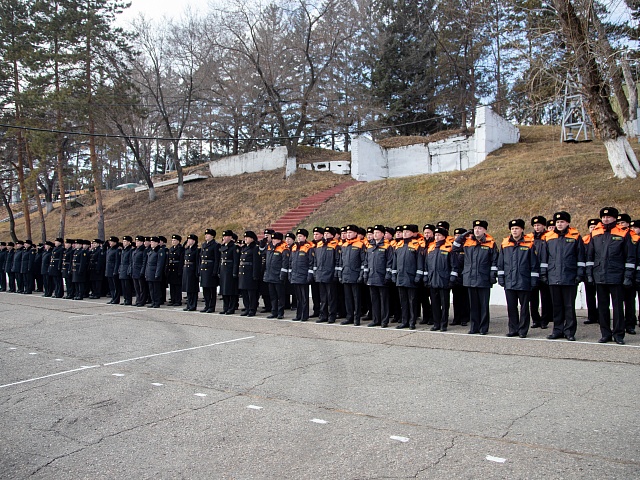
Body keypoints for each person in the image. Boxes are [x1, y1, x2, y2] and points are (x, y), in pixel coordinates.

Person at [586, 207, 637, 345]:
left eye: (608, 217)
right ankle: (605, 334)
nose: (605, 219)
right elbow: (590, 256)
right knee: (602, 307)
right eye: (603, 217)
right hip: (600, 275)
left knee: (618, 307)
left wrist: (627, 277)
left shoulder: (623, 233)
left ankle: (619, 334)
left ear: (615, 219)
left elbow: (630, 258)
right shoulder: (595, 233)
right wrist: (589, 274)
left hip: (616, 276)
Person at [540, 211, 584, 341]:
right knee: (557, 306)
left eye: (562, 222)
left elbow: (580, 257)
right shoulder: (548, 237)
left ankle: (569, 331)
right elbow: (544, 258)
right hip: (553, 276)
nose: (559, 224)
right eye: (557, 222)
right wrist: (544, 274)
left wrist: (579, 274)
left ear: (567, 223)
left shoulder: (575, 236)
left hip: (570, 276)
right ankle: (557, 330)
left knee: (569, 306)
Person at [452, 220, 499, 335]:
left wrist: (493, 275)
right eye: (475, 228)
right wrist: (463, 235)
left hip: (483, 278)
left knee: (483, 305)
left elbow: (494, 260)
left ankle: (483, 328)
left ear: (484, 230)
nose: (477, 230)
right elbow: (455, 247)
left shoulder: (490, 243)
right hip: (470, 277)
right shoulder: (468, 242)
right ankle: (474, 327)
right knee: (473, 305)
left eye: (479, 228)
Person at [498, 219, 539, 338]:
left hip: (524, 281)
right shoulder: (505, 244)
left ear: (522, 230)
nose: (514, 231)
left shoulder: (529, 243)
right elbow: (501, 263)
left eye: (516, 228)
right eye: (512, 229)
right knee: (511, 307)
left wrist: (533, 280)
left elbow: (533, 264)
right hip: (509, 281)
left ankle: (523, 330)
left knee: (524, 308)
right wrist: (501, 277)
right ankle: (513, 329)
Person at [392, 224, 425, 330]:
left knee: (412, 301)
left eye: (407, 232)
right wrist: (393, 274)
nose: (405, 233)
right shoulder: (399, 245)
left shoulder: (416, 245)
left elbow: (420, 263)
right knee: (403, 301)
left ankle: (412, 322)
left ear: (412, 233)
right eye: (404, 232)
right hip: (400, 277)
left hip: (411, 278)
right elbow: (394, 262)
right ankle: (404, 321)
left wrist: (418, 276)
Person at [364, 225, 393, 327]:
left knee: (384, 300)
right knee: (374, 300)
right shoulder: (370, 246)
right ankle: (376, 319)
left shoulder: (387, 246)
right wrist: (365, 274)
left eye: (377, 232)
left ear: (382, 234)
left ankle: (384, 320)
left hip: (382, 277)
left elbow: (390, 262)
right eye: (374, 233)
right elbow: (366, 262)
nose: (375, 234)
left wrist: (387, 276)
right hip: (372, 277)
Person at [425, 226, 453, 331]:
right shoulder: (431, 247)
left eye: (439, 235)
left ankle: (444, 324)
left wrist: (451, 279)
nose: (437, 237)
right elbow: (427, 265)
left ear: (444, 236)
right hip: (433, 280)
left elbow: (453, 265)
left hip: (444, 280)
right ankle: (436, 323)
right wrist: (427, 278)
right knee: (434, 303)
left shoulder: (449, 247)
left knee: (445, 304)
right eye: (435, 235)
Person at [527, 216, 552, 329]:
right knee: (533, 298)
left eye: (539, 225)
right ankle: (535, 319)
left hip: (545, 272)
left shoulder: (548, 236)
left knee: (545, 298)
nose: (537, 227)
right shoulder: (529, 237)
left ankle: (545, 320)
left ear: (544, 226)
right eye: (535, 225)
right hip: (532, 272)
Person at [338, 225, 366, 326]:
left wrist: (361, 275)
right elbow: (341, 262)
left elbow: (363, 261)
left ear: (355, 233)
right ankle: (349, 317)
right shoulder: (344, 245)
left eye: (350, 232)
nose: (348, 234)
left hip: (355, 275)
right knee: (348, 298)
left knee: (356, 298)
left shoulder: (360, 244)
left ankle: (357, 318)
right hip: (346, 275)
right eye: (347, 233)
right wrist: (340, 274)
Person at [616, 213, 638, 335]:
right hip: (619, 274)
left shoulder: (634, 237)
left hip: (632, 274)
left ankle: (630, 324)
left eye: (622, 223)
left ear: (628, 224)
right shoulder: (615, 235)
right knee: (618, 302)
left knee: (629, 301)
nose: (620, 225)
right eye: (618, 223)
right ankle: (620, 324)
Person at [314, 226, 340, 324]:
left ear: (332, 235)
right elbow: (316, 261)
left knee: (331, 297)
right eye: (325, 233)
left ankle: (332, 316)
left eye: (328, 234)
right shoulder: (319, 245)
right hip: (321, 274)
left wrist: (335, 274)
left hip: (330, 274)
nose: (326, 235)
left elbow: (337, 260)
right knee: (323, 297)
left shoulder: (335, 245)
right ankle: (323, 315)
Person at [289, 228, 314, 322]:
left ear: (305, 237)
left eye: (300, 236)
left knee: (304, 298)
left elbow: (311, 263)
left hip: (303, 275)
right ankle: (298, 315)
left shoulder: (308, 247)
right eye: (298, 236)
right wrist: (290, 274)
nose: (298, 238)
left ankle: (305, 315)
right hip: (295, 275)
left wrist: (309, 275)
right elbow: (290, 262)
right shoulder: (294, 247)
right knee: (298, 297)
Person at [264, 232, 289, 319]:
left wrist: (282, 275)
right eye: (273, 239)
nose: (274, 241)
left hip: (278, 276)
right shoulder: (270, 247)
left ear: (280, 240)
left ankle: (280, 312)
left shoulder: (283, 248)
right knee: (273, 296)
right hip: (270, 275)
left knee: (280, 296)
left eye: (276, 239)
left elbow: (285, 263)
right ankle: (274, 311)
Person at [450, 228, 469, 326]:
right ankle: (456, 318)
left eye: (459, 235)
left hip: (464, 275)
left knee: (464, 299)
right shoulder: (454, 247)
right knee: (456, 299)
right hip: (456, 276)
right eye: (456, 235)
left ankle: (464, 318)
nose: (457, 237)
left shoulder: (466, 247)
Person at [582, 219, 600, 324]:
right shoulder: (585, 239)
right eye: (591, 227)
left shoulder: (600, 238)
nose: (593, 229)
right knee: (590, 295)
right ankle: (591, 316)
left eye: (595, 227)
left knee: (601, 297)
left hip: (598, 272)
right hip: (587, 272)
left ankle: (601, 316)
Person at [238, 231, 261, 316]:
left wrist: (255, 275)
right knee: (244, 293)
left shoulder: (255, 248)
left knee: (251, 294)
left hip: (250, 273)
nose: (245, 239)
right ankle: (247, 308)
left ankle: (252, 309)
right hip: (243, 273)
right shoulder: (244, 248)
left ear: (252, 239)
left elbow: (256, 263)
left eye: (247, 238)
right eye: (245, 238)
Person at [219, 230, 240, 315]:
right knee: (224, 291)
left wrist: (235, 272)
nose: (224, 238)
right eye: (224, 236)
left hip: (230, 271)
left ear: (231, 237)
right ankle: (225, 307)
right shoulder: (223, 246)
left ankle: (231, 308)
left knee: (231, 290)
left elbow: (236, 261)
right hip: (224, 270)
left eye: (226, 236)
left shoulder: (234, 247)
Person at [199, 229, 220, 313]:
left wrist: (215, 271)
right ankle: (207, 305)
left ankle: (211, 306)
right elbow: (201, 258)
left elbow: (216, 259)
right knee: (205, 289)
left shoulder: (215, 245)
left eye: (208, 234)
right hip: (204, 268)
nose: (206, 236)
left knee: (211, 289)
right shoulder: (204, 245)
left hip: (210, 269)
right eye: (206, 234)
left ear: (212, 236)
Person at [145, 236, 166, 308]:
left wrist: (157, 273)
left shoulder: (159, 251)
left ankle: (157, 302)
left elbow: (160, 264)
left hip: (155, 273)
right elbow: (147, 263)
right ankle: (153, 301)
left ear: (157, 243)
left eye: (153, 242)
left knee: (156, 289)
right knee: (151, 289)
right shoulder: (151, 251)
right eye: (151, 242)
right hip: (149, 273)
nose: (151, 243)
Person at [182, 234, 200, 311]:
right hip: (187, 270)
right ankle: (189, 304)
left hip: (192, 270)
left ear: (194, 241)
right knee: (188, 289)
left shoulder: (196, 250)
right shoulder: (187, 249)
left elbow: (197, 262)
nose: (188, 241)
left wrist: (197, 272)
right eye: (188, 240)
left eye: (190, 240)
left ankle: (193, 305)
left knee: (193, 289)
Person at [166, 234, 184, 307]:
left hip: (176, 269)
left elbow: (181, 260)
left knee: (177, 286)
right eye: (172, 240)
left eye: (175, 240)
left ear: (178, 241)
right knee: (172, 286)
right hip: (171, 269)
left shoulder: (180, 249)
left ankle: (177, 300)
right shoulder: (171, 249)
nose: (173, 242)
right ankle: (173, 299)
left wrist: (180, 270)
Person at [131, 236, 148, 306]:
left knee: (142, 288)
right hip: (135, 271)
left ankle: (142, 300)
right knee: (137, 287)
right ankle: (138, 300)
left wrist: (142, 271)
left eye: (138, 241)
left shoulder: (144, 250)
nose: (136, 243)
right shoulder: (135, 250)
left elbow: (144, 262)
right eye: (136, 241)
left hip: (140, 271)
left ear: (142, 242)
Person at [105, 236, 121, 304]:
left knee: (115, 286)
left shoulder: (117, 250)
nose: (110, 243)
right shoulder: (109, 250)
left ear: (115, 243)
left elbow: (117, 262)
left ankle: (116, 299)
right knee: (111, 286)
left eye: (111, 242)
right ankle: (113, 297)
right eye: (109, 242)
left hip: (113, 270)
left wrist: (115, 270)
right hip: (109, 270)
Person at [119, 236, 134, 305]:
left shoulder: (130, 250)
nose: (124, 242)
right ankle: (125, 299)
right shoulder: (123, 250)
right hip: (122, 269)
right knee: (123, 286)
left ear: (129, 242)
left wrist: (129, 270)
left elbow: (131, 261)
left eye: (125, 241)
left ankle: (128, 300)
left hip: (127, 270)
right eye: (123, 241)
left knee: (127, 286)